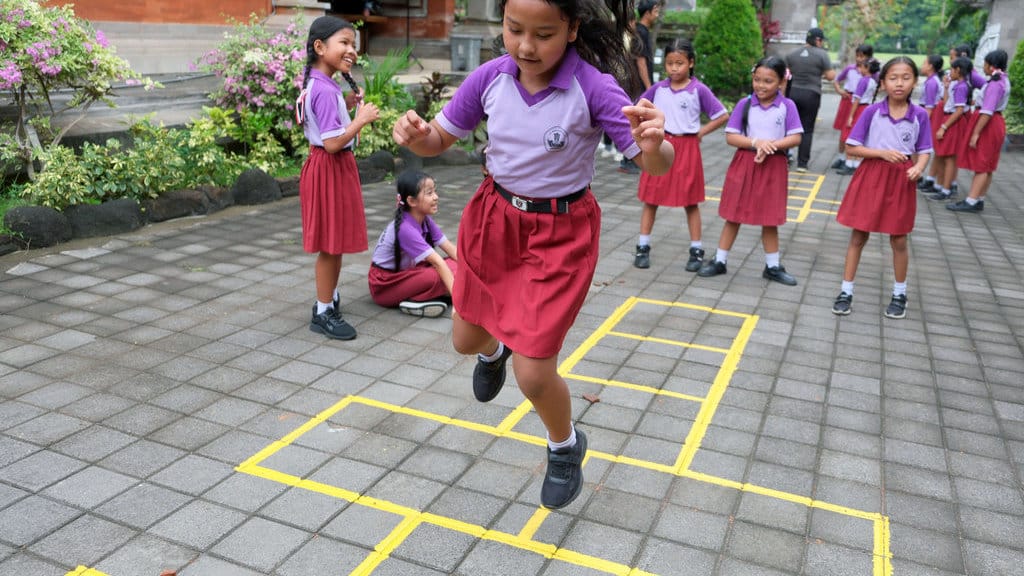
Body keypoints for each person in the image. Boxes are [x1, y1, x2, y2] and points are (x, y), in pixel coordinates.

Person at [391, 0, 673, 510]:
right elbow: (438, 138)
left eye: (543, 34)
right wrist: (417, 137)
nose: (525, 46)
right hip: (494, 219)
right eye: (514, 29)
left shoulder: (592, 86)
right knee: (465, 339)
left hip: (559, 234)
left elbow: (655, 164)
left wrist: (655, 143)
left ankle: (564, 447)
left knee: (535, 374)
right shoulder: (490, 78)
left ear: (571, 28)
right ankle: (493, 351)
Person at [297, 16, 380, 340]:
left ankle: (328, 297)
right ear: (320, 47)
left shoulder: (322, 84)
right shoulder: (324, 89)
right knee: (331, 246)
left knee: (334, 243)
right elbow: (332, 142)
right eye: (344, 43)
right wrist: (361, 119)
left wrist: (346, 108)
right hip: (330, 168)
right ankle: (322, 310)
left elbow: (322, 127)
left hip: (327, 169)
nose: (351, 51)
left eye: (353, 45)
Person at [832, 57, 932, 319]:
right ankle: (846, 291)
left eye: (906, 77)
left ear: (915, 81)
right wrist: (881, 153)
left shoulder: (919, 115)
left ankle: (900, 293)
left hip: (901, 181)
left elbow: (924, 151)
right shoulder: (872, 111)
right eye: (893, 78)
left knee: (898, 239)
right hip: (871, 176)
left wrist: (919, 167)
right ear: (883, 82)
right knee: (858, 236)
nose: (899, 83)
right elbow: (852, 147)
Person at [697, 56, 803, 285]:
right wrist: (757, 143)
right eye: (757, 80)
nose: (761, 86)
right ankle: (720, 260)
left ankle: (773, 266)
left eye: (768, 81)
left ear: (781, 82)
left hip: (774, 166)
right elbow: (731, 136)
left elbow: (795, 137)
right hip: (745, 163)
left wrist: (770, 146)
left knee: (770, 218)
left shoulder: (787, 106)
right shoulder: (744, 105)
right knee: (734, 214)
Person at [633, 38, 728, 271]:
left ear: (691, 63)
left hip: (687, 148)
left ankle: (696, 250)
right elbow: (639, 108)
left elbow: (722, 115)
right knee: (651, 199)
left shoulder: (699, 90)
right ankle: (642, 246)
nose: (674, 68)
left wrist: (700, 133)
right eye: (669, 63)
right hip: (660, 145)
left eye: (680, 63)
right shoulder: (658, 89)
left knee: (690, 201)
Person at [368, 170, 458, 317]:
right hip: (385, 285)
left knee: (458, 265)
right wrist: (459, 304)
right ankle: (416, 300)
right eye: (429, 193)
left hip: (409, 274)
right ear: (411, 201)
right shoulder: (404, 228)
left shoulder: (426, 220)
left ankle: (441, 293)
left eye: (435, 191)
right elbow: (438, 263)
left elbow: (451, 250)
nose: (436, 197)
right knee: (436, 275)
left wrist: (476, 271)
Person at [948, 49, 1011, 213]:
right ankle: (978, 199)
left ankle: (971, 201)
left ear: (990, 66)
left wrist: (976, 133)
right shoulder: (1002, 80)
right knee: (988, 164)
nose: (983, 66)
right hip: (994, 122)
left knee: (981, 164)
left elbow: (987, 111)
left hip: (987, 124)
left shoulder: (995, 84)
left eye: (984, 63)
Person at [785, 27, 836, 172]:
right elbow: (831, 76)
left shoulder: (792, 54)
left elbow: (785, 73)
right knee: (807, 129)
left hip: (793, 92)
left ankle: (785, 157)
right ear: (818, 40)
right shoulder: (822, 54)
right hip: (811, 94)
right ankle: (802, 164)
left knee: (789, 126)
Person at [618, 0, 660, 175]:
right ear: (647, 12)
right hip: (640, 85)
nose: (657, 14)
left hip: (640, 85)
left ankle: (630, 159)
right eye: (656, 10)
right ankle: (629, 160)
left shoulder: (642, 30)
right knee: (637, 121)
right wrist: (649, 86)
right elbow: (640, 60)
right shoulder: (640, 31)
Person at [926, 57, 972, 202]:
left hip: (953, 122)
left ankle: (946, 190)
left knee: (950, 158)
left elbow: (958, 111)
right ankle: (945, 187)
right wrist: (946, 87)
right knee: (947, 156)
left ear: (958, 70)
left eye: (952, 69)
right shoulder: (957, 85)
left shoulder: (961, 86)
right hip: (950, 119)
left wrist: (944, 127)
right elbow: (947, 103)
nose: (950, 72)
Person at [835, 57, 880, 176]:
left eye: (862, 66)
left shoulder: (863, 80)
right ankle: (857, 164)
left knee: (850, 135)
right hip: (866, 108)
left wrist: (850, 116)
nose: (859, 68)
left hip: (859, 109)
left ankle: (849, 164)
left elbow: (857, 99)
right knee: (861, 137)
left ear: (867, 68)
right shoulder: (873, 81)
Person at [830, 44, 872, 169]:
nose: (859, 59)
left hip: (860, 103)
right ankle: (841, 157)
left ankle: (853, 159)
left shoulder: (870, 73)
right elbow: (837, 80)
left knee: (855, 130)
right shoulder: (850, 69)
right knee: (844, 129)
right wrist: (840, 90)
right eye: (857, 56)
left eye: (862, 56)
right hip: (848, 100)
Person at [917, 54, 945, 193]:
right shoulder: (931, 80)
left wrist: (923, 125)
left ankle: (918, 175)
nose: (922, 65)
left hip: (928, 116)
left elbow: (929, 107)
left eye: (924, 63)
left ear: (931, 66)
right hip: (926, 114)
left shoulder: (932, 83)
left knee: (918, 147)